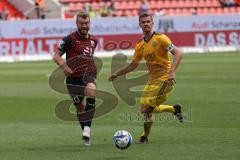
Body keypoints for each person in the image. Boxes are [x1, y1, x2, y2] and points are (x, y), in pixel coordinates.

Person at [108, 12, 183, 143]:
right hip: (152, 81)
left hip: (165, 80)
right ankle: (171, 111)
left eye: (148, 21)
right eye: (143, 22)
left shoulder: (161, 38)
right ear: (140, 25)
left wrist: (172, 72)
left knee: (145, 109)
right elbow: (133, 65)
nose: (146, 24)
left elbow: (178, 53)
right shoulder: (140, 45)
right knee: (146, 111)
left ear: (152, 23)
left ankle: (144, 136)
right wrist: (117, 74)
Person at [53, 11, 98, 146]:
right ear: (77, 24)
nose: (84, 26)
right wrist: (64, 66)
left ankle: (87, 130)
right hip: (73, 79)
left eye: (86, 23)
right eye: (81, 23)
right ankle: (85, 132)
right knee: (80, 108)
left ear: (89, 23)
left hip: (88, 75)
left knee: (91, 90)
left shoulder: (94, 40)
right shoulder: (69, 39)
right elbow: (56, 56)